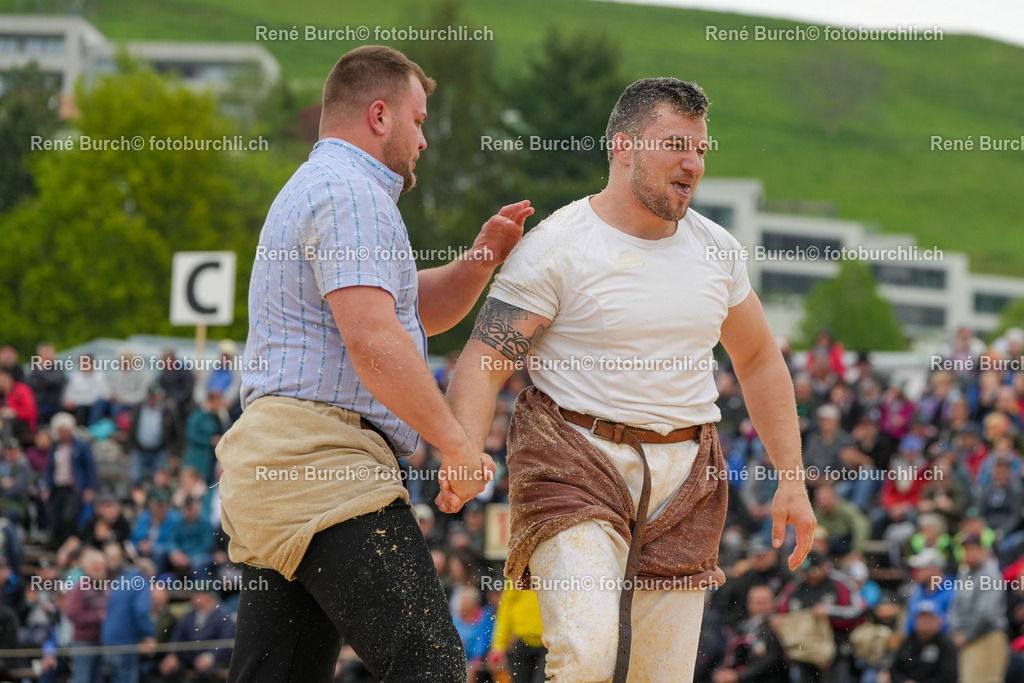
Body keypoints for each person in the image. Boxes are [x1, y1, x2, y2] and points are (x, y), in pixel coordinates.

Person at [445, 77, 816, 682]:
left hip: (686, 475)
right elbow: (485, 360)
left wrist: (792, 480)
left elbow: (758, 360)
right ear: (622, 147)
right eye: (675, 143)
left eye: (699, 148)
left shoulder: (717, 250)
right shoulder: (556, 247)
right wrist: (461, 450)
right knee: (588, 656)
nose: (691, 163)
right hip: (573, 462)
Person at [216, 45, 532, 682]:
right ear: (380, 116)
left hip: (290, 465)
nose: (423, 140)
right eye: (418, 120)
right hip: (320, 463)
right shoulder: (351, 193)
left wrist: (481, 259)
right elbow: (374, 341)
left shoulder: (330, 187)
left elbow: (409, 315)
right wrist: (456, 443)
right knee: (431, 665)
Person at [949, 533, 1008, 683]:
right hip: (967, 638)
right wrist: (955, 629)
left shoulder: (990, 575)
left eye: (973, 549)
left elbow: (986, 613)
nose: (968, 554)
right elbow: (955, 605)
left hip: (988, 637)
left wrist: (965, 635)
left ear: (982, 551)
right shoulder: (964, 573)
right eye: (966, 550)